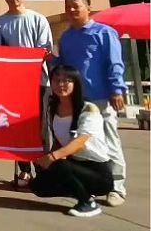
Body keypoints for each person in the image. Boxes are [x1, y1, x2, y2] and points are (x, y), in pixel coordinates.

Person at [54, 0, 127, 207]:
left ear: (88, 8)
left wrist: (117, 89)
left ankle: (116, 187)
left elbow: (115, 63)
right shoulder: (66, 37)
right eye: (68, 7)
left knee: (109, 141)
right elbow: (63, 66)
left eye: (76, 6)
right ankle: (90, 186)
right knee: (82, 146)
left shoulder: (104, 33)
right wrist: (47, 58)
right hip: (76, 101)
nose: (72, 10)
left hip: (101, 97)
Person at [0, 0, 53, 187]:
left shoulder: (38, 19)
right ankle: (24, 170)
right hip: (14, 84)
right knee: (18, 127)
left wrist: (27, 62)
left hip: (39, 81)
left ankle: (43, 169)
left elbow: (44, 48)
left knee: (40, 127)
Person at [31, 65, 113, 218]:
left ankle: (88, 203)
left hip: (97, 171)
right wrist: (46, 159)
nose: (61, 84)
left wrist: (53, 157)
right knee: (38, 186)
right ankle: (80, 189)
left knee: (59, 165)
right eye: (56, 80)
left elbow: (80, 141)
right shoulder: (53, 108)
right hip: (74, 165)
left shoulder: (89, 109)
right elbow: (58, 140)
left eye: (66, 80)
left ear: (76, 83)